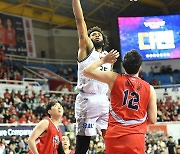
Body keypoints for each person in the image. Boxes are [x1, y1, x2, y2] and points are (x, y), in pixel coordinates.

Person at [83, 49, 157, 154]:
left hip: (114, 135)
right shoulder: (150, 89)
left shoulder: (113, 77)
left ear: (123, 65)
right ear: (140, 67)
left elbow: (86, 71)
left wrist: (104, 60)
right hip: (136, 137)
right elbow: (153, 120)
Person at [72, 0, 114, 153]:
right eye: (92, 34)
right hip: (87, 101)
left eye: (98, 34)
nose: (96, 35)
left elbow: (110, 83)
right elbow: (80, 21)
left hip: (103, 100)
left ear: (103, 38)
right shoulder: (86, 50)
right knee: (83, 145)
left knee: (111, 139)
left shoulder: (108, 58)